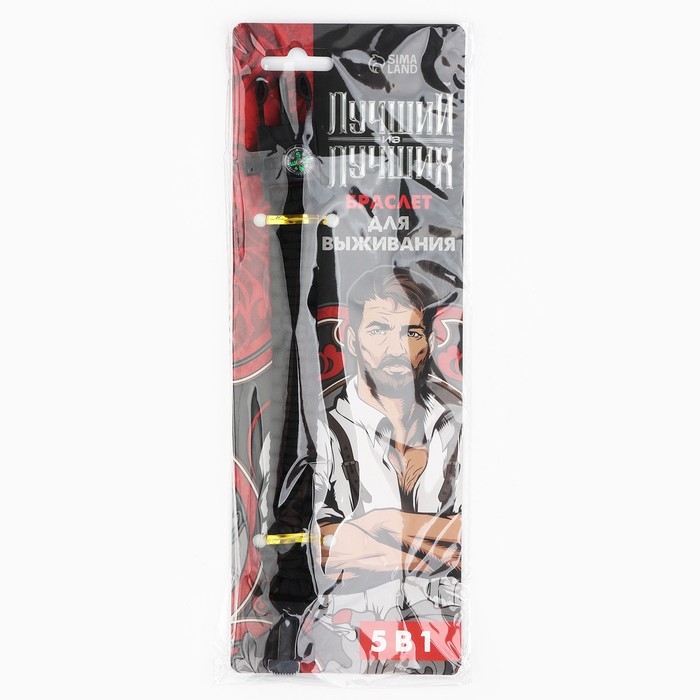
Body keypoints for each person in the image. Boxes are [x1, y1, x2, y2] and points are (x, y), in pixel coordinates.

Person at [299, 266, 463, 673]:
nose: (397, 348)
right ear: (350, 339)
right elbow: (320, 549)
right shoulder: (321, 428)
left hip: (446, 642)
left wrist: (382, 525)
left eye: (411, 332)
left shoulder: (457, 426)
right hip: (345, 645)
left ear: (429, 341)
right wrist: (440, 542)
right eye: (378, 330)